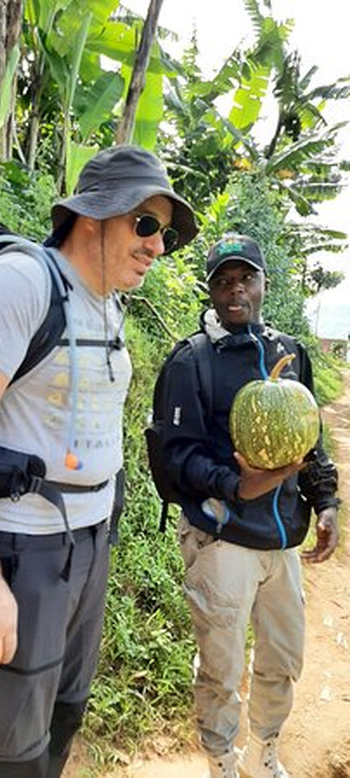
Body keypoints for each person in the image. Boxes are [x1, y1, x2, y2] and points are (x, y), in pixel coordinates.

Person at [0, 144, 197, 778]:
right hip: (24, 550)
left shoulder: (109, 301)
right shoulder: (22, 284)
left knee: (63, 711)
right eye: (144, 225)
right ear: (93, 217)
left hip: (89, 543)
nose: (157, 246)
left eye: (162, 232)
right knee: (8, 740)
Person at [160, 233, 339, 778]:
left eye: (246, 279)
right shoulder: (192, 361)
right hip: (222, 538)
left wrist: (324, 499)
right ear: (211, 289)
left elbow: (309, 438)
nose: (235, 290)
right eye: (223, 281)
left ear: (264, 284)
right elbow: (173, 459)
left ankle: (264, 751)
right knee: (222, 666)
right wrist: (236, 485)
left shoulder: (291, 353)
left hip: (282, 538)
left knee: (282, 660)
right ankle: (221, 758)